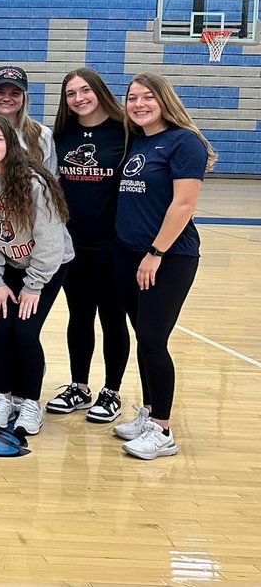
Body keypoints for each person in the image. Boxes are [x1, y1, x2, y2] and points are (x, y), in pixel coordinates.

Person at [112, 72, 215, 461]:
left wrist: (155, 253)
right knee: (144, 337)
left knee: (154, 340)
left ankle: (163, 430)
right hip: (129, 254)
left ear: (164, 100)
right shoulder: (139, 142)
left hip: (168, 257)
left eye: (147, 97)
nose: (138, 104)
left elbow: (184, 205)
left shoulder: (184, 142)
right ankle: (150, 413)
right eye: (132, 98)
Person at [0, 114, 73, 437]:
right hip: (8, 266)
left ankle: (30, 403)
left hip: (46, 266)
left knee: (24, 332)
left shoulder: (33, 182)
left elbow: (51, 240)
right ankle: (3, 397)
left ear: (10, 144)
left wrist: (34, 285)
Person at [47, 67, 130, 424]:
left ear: (99, 90)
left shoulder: (125, 131)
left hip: (114, 244)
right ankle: (79, 386)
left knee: (113, 318)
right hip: (74, 243)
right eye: (71, 94)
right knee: (79, 316)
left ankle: (111, 390)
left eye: (85, 90)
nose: (79, 98)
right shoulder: (60, 135)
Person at [0, 65, 57, 171]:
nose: (6, 98)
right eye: (0, 92)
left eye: (14, 93)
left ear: (24, 98)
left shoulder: (42, 135)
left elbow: (51, 180)